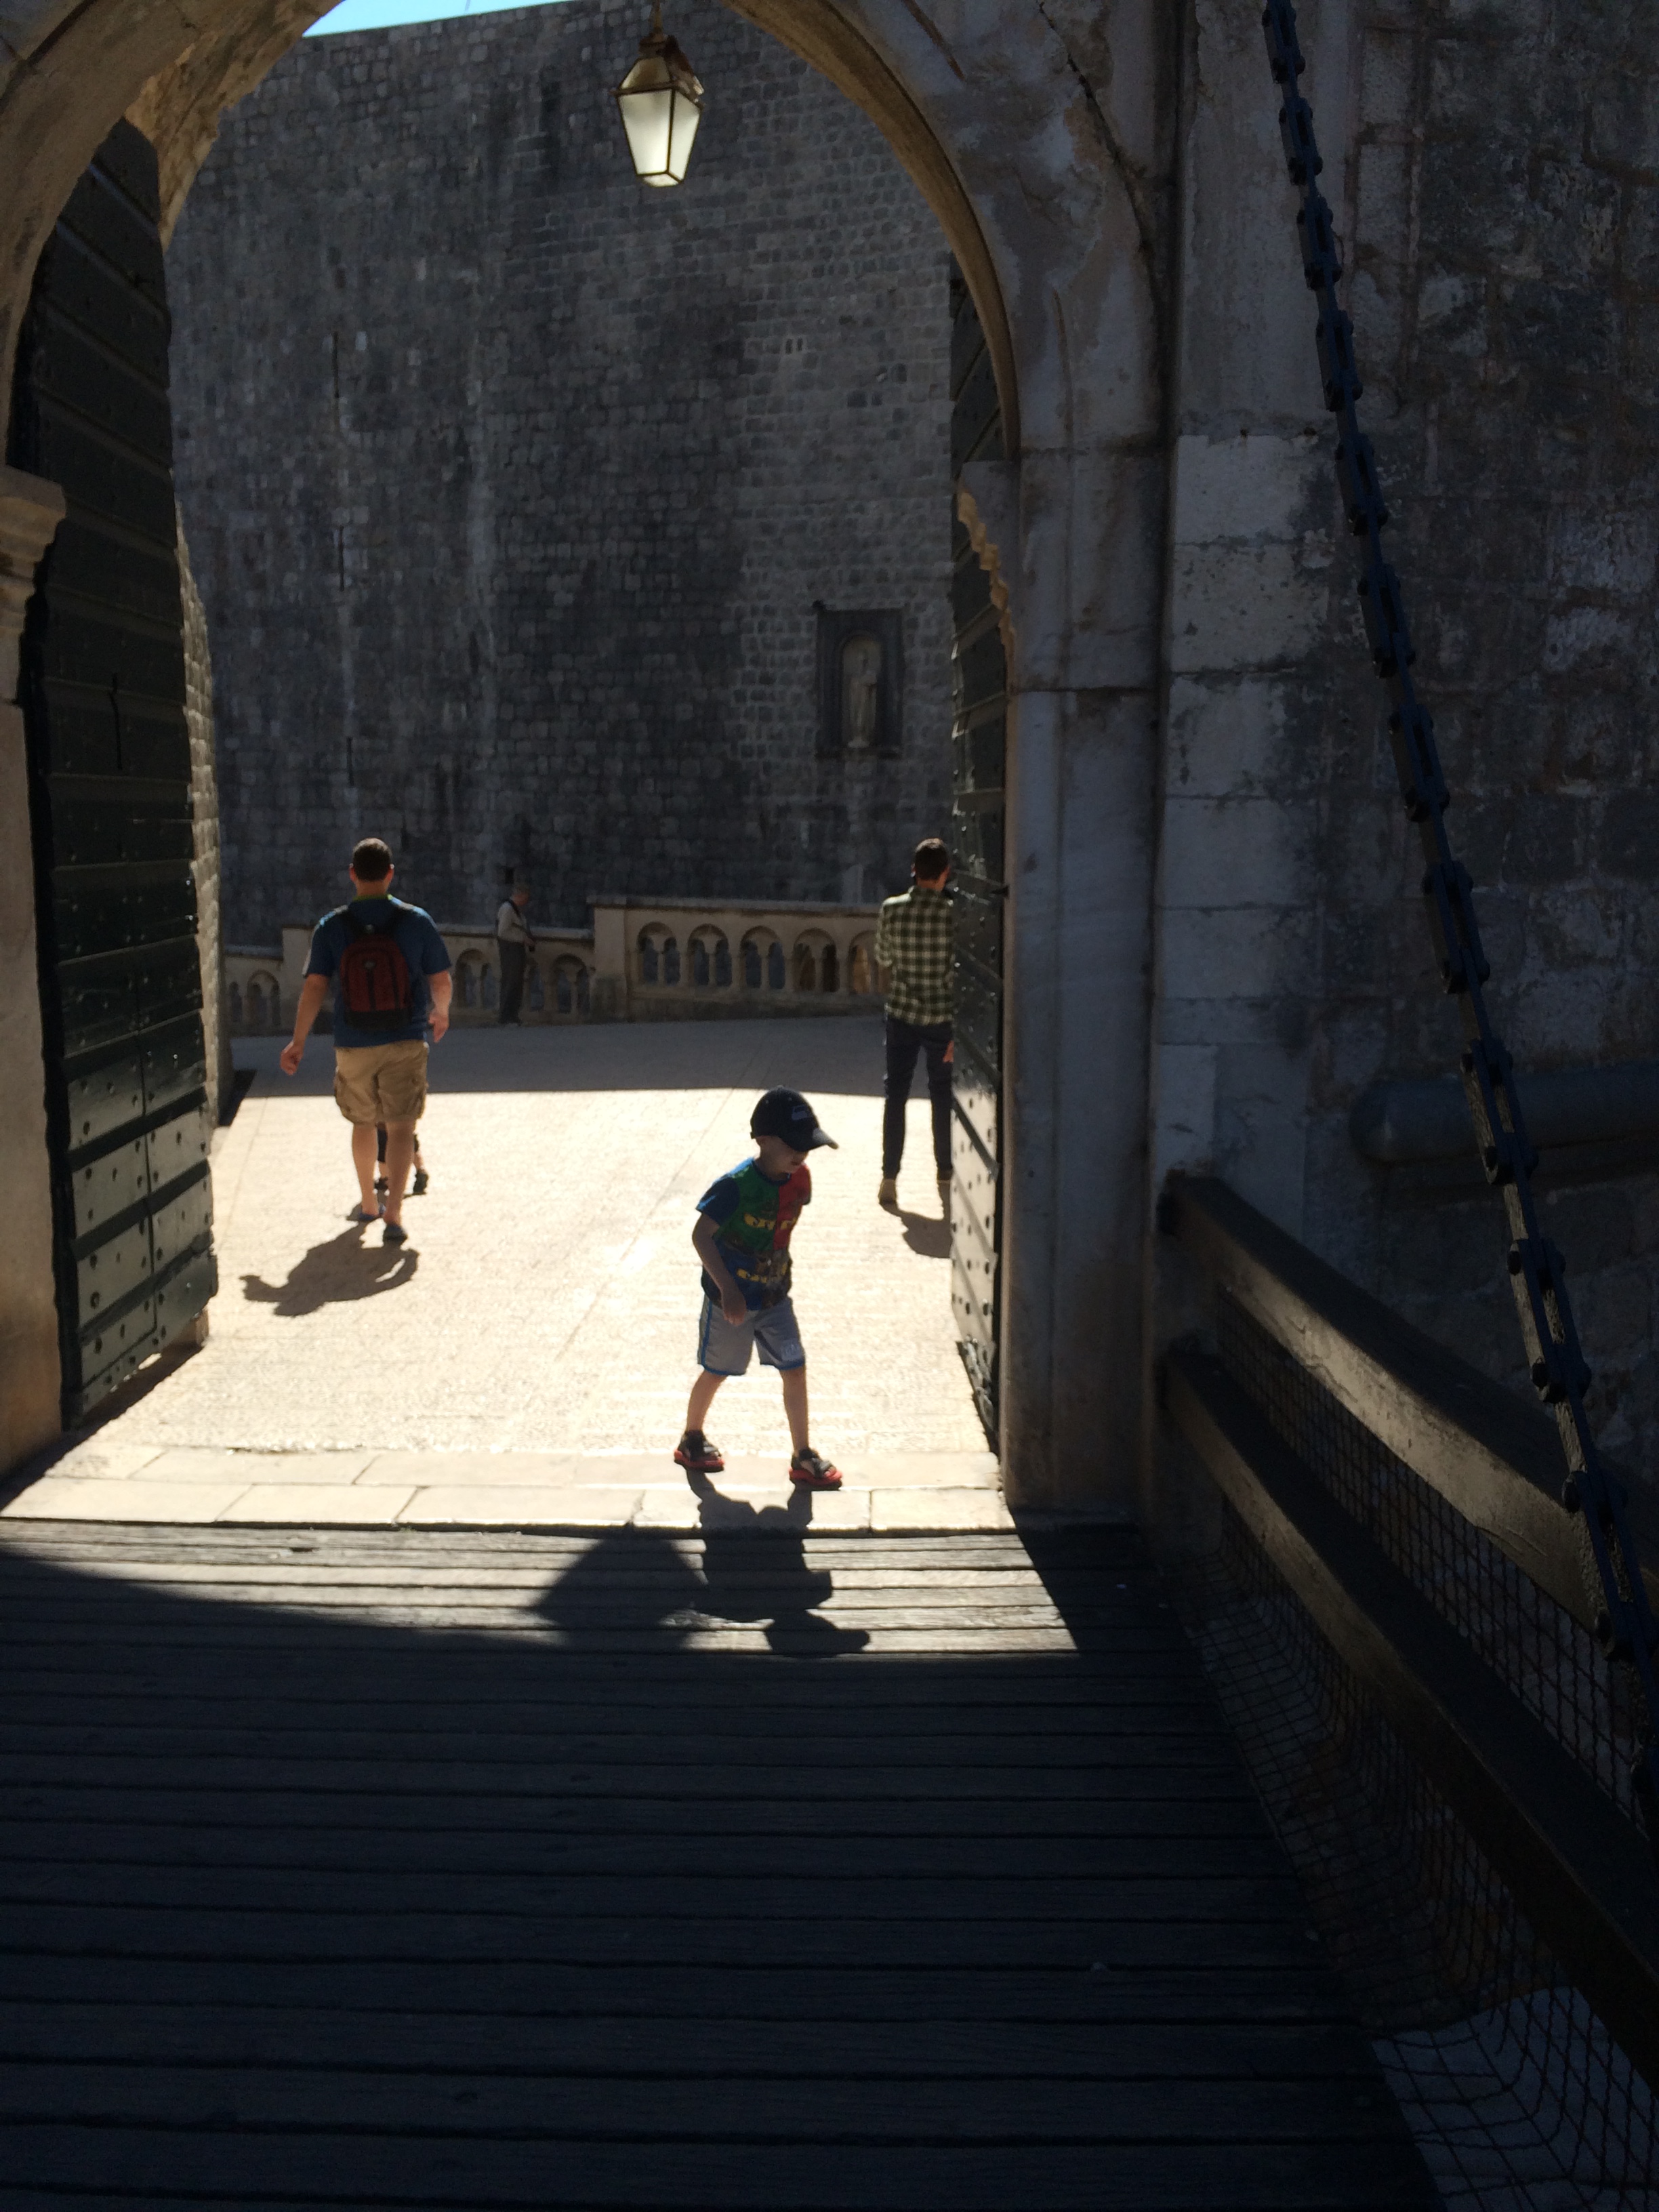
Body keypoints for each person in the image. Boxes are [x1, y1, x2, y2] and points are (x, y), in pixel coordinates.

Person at [279, 837, 453, 1247]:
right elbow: (441, 979)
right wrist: (441, 1012)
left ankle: (368, 1203)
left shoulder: (331, 926)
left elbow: (315, 987)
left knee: (362, 1122)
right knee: (401, 1125)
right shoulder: (416, 920)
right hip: (405, 1036)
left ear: (352, 875)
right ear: (390, 874)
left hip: (352, 1041)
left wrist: (297, 1041)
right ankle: (395, 1213)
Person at [675, 1088, 842, 1491]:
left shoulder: (800, 1179)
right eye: (794, 1145)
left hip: (774, 1298)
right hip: (731, 1302)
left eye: (808, 1146)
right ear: (764, 1140)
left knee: (795, 1367)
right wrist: (728, 1289)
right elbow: (701, 1236)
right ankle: (691, 1437)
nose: (802, 1154)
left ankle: (803, 1454)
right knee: (717, 1371)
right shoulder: (735, 1186)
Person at [873, 835, 954, 1212]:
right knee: (941, 1094)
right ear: (945, 874)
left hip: (902, 1014)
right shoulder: (953, 914)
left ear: (913, 871)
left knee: (896, 1095)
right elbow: (958, 972)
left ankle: (890, 1177)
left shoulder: (892, 909)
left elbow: (883, 957)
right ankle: (945, 1170)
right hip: (941, 1018)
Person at [495, 882, 534, 1025]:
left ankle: (512, 1014)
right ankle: (506, 1016)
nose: (526, 901)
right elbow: (502, 932)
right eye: (526, 898)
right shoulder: (508, 909)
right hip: (510, 950)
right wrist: (522, 939)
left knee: (516, 983)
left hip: (515, 950)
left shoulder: (515, 910)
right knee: (511, 982)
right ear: (520, 896)